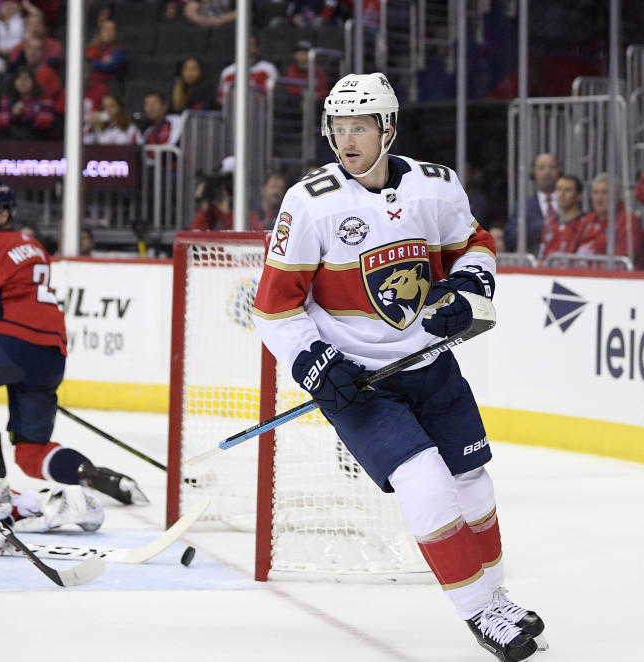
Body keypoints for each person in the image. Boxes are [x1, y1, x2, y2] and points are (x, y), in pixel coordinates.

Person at [251, 73, 545, 662]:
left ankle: (495, 596)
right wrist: (314, 362)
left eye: (359, 126)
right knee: (425, 482)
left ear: (388, 129)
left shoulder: (435, 188)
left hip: (429, 365)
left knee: (471, 481)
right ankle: (480, 613)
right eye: (338, 127)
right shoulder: (309, 203)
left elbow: (476, 245)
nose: (347, 139)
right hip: (359, 383)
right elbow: (272, 308)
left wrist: (466, 287)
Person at [0, 180, 149, 506]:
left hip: (8, 347)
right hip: (50, 355)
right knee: (30, 454)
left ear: (4, 213)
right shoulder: (33, 245)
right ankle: (97, 476)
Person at [570, 173, 644, 268]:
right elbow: (570, 252)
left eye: (605, 192)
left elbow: (621, 264)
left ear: (617, 195)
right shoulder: (587, 220)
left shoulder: (629, 223)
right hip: (577, 276)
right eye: (595, 192)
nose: (599, 197)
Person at [502, 153, 560, 255]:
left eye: (552, 167)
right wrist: (539, 228)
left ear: (559, 172)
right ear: (534, 173)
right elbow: (510, 239)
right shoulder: (523, 206)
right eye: (541, 168)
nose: (547, 172)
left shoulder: (570, 202)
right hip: (533, 265)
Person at [538, 174, 585, 264]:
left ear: (579, 195)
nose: (562, 194)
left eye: (568, 190)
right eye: (559, 189)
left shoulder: (586, 224)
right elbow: (541, 258)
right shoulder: (550, 225)